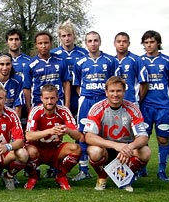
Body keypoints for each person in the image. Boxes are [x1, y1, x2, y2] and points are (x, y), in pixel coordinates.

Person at [83, 76, 151, 192]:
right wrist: (115, 145)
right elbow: (88, 136)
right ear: (106, 92)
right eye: (112, 91)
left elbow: (143, 137)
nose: (115, 94)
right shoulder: (97, 108)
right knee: (94, 151)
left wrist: (128, 147)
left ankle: (125, 178)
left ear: (124, 92)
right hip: (106, 149)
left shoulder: (133, 109)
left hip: (126, 150)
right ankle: (102, 177)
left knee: (145, 152)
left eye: (119, 91)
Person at [72, 31, 118, 181]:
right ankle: (83, 169)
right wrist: (86, 96)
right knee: (84, 134)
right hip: (87, 101)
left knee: (109, 132)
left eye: (95, 40)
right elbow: (77, 85)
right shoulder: (79, 62)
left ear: (100, 42)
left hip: (104, 100)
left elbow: (114, 82)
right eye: (90, 41)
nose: (93, 43)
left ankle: (113, 167)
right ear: (85, 43)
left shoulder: (110, 61)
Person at [24, 84, 81, 190]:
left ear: (57, 97)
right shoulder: (35, 111)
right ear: (41, 98)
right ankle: (33, 177)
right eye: (46, 98)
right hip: (38, 149)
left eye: (52, 98)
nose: (49, 101)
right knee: (28, 151)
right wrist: (49, 131)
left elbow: (79, 136)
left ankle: (61, 176)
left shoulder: (64, 111)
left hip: (55, 148)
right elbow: (28, 136)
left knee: (76, 149)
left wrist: (67, 130)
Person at [139, 30, 169, 181]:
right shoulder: (139, 61)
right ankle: (142, 168)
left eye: (152, 42)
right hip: (145, 107)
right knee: (143, 138)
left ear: (158, 43)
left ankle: (161, 169)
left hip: (163, 107)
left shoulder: (168, 61)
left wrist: (164, 98)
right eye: (146, 42)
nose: (149, 45)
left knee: (163, 139)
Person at [23, 31, 71, 108]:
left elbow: (66, 83)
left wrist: (67, 104)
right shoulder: (29, 65)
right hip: (38, 104)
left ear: (51, 43)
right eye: (40, 43)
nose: (43, 46)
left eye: (46, 43)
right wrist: (29, 109)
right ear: (36, 45)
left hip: (58, 103)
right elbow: (27, 88)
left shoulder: (61, 61)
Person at [51, 21, 88, 117]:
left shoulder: (83, 53)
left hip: (78, 90)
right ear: (60, 37)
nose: (66, 38)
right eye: (63, 36)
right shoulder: (54, 54)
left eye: (69, 35)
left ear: (74, 36)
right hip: (60, 91)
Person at [113, 32, 142, 104]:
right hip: (114, 102)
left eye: (124, 41)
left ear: (129, 43)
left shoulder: (136, 60)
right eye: (119, 41)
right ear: (114, 43)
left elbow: (144, 83)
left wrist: (138, 99)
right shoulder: (111, 61)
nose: (121, 44)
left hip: (132, 101)